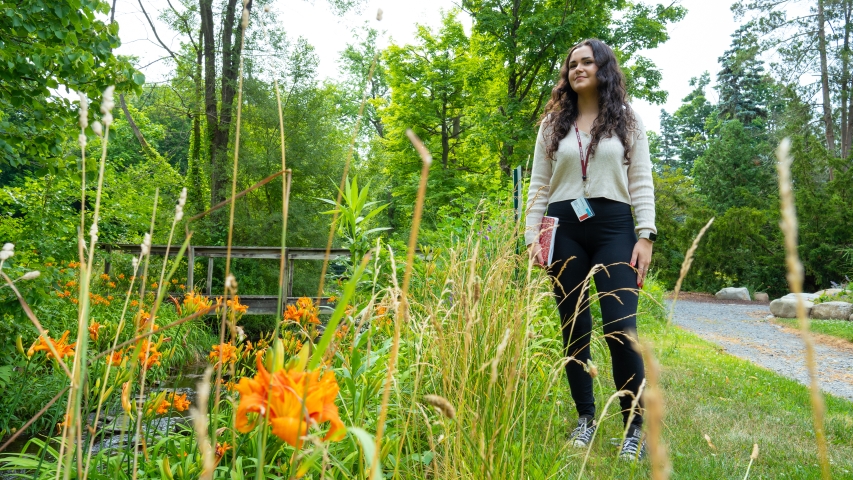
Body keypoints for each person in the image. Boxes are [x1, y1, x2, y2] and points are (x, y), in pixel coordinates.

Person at [524, 38, 656, 461]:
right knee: (573, 325)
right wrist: (532, 238)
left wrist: (645, 235)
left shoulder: (627, 120)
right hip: (562, 227)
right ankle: (584, 418)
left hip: (615, 227)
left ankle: (633, 428)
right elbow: (539, 186)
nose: (577, 68)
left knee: (622, 327)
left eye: (586, 61)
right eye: (571, 64)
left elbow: (641, 180)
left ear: (603, 68)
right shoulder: (552, 124)